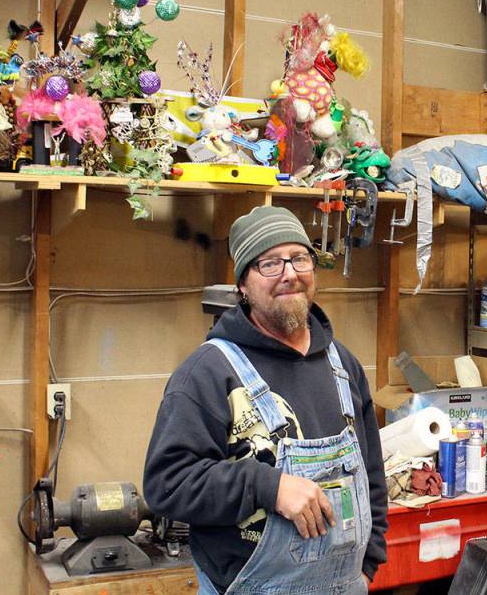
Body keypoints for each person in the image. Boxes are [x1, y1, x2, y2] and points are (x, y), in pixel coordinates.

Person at [144, 206, 387, 594]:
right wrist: (266, 486)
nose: (289, 274)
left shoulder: (344, 367)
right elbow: (167, 485)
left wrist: (370, 562)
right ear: (243, 284)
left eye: (299, 259)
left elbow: (372, 472)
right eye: (270, 263)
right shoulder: (209, 373)